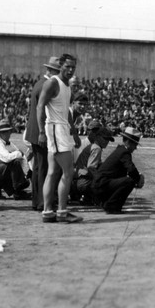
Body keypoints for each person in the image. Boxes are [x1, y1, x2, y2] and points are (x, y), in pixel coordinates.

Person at [37, 54, 82, 223]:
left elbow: (66, 112)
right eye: (67, 67)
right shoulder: (53, 83)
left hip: (62, 129)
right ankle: (62, 211)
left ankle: (48, 212)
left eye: (73, 67)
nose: (70, 70)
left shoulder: (67, 86)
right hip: (55, 129)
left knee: (53, 172)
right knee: (68, 172)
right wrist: (41, 131)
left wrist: (74, 131)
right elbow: (40, 106)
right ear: (60, 66)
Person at [24, 56, 61, 211]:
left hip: (34, 131)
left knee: (38, 168)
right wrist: (42, 133)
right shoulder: (46, 85)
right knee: (44, 168)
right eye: (58, 71)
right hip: (41, 131)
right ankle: (42, 202)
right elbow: (42, 112)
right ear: (51, 70)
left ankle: (37, 201)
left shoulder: (39, 83)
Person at [92, 127, 144, 214]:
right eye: (135, 145)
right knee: (129, 181)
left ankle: (107, 203)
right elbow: (131, 169)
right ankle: (112, 206)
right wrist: (138, 179)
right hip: (101, 186)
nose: (135, 148)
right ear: (128, 142)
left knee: (126, 179)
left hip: (99, 185)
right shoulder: (124, 152)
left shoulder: (120, 150)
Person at [0, 119, 30, 200]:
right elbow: (7, 158)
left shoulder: (11, 144)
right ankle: (17, 191)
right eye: (3, 132)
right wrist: (19, 153)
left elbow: (22, 159)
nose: (6, 134)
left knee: (15, 166)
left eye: (8, 131)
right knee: (13, 163)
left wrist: (26, 173)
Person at [71, 126, 114, 204]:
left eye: (108, 140)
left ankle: (86, 197)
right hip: (82, 182)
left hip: (76, 180)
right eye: (105, 139)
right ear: (98, 137)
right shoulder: (97, 148)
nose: (107, 142)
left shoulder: (92, 146)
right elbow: (91, 168)